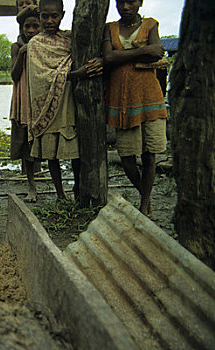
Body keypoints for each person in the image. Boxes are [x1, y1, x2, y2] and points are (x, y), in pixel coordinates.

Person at [27, 0, 102, 201]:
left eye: (54, 16)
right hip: (49, 107)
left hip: (70, 101)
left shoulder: (70, 39)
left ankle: (78, 189)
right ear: (40, 15)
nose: (50, 21)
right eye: (45, 16)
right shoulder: (35, 44)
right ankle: (60, 194)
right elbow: (40, 77)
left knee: (75, 151)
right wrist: (78, 73)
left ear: (63, 14)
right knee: (52, 154)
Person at [102, 0, 167, 216]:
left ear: (140, 2)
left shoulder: (151, 24)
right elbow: (108, 57)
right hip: (123, 99)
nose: (125, 7)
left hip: (149, 96)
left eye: (131, 1)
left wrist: (124, 55)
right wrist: (143, 50)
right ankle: (144, 193)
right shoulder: (110, 28)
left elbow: (157, 53)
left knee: (150, 154)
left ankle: (144, 202)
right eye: (121, 2)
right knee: (127, 158)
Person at [10, 6, 42, 202]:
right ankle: (32, 187)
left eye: (35, 26)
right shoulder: (16, 46)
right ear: (22, 28)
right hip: (23, 100)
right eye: (27, 26)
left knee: (45, 143)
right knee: (26, 147)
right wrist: (22, 52)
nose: (31, 30)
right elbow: (14, 75)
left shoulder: (45, 45)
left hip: (40, 99)